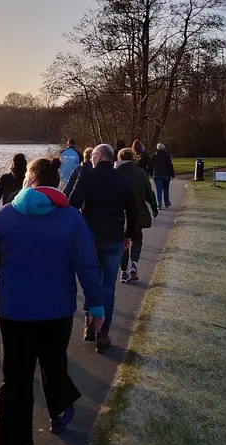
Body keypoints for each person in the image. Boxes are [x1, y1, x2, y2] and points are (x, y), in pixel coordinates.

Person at [0, 157, 105, 445]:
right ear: (57, 182)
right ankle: (59, 413)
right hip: (56, 308)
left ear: (29, 180)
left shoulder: (4, 215)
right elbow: (87, 266)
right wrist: (96, 306)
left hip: (13, 310)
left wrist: (6, 277)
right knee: (53, 362)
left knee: (15, 379)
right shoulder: (71, 219)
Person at [69, 144, 138, 352]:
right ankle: (103, 332)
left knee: (91, 282)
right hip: (114, 238)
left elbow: (72, 205)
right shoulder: (124, 180)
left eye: (92, 157)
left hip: (89, 238)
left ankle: (89, 327)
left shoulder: (86, 176)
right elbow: (133, 211)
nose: (90, 159)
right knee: (108, 286)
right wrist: (127, 235)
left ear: (98, 156)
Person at [114, 148, 158, 283]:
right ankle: (134, 263)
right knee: (136, 239)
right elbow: (148, 192)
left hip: (119, 214)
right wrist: (153, 206)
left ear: (119, 158)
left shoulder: (114, 173)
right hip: (138, 212)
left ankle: (123, 271)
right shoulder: (140, 172)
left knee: (123, 242)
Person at [151, 143, 175, 209]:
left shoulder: (154, 155)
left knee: (159, 190)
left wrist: (151, 173)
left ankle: (160, 204)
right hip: (166, 175)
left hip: (157, 175)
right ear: (163, 148)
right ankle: (166, 202)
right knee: (166, 189)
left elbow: (151, 165)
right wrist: (172, 174)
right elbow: (170, 166)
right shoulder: (166, 156)